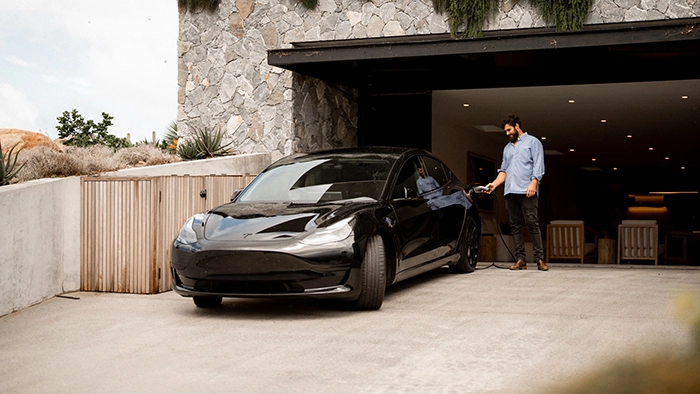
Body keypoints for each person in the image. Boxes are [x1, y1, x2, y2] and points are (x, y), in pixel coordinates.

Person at [485, 114, 548, 271]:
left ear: (517, 126)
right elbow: (504, 171)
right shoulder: (507, 149)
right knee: (515, 225)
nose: (507, 133)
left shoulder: (533, 142)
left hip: (527, 190)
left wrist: (534, 182)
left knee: (532, 223)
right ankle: (521, 259)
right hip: (510, 191)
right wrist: (494, 184)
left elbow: (539, 164)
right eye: (505, 131)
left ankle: (540, 259)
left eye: (509, 130)